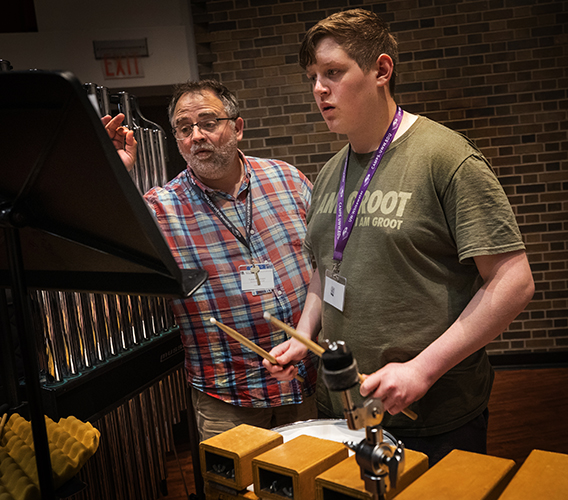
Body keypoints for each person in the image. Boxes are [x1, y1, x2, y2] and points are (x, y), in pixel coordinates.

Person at [263, 8, 535, 465]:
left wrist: (421, 370)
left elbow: (513, 282)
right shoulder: (330, 173)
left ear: (381, 70)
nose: (318, 89)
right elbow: (323, 268)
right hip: (348, 409)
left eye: (333, 72)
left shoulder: (446, 158)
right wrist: (303, 334)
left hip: (433, 413)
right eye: (313, 76)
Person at [104, 80, 318, 441]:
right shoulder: (160, 208)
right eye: (185, 129)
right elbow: (108, 245)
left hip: (307, 383)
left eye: (208, 122)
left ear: (237, 127)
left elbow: (327, 262)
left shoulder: (287, 179)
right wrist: (113, 176)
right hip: (228, 397)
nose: (197, 136)